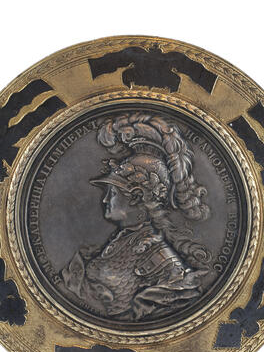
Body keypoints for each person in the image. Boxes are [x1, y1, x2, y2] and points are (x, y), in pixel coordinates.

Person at [60, 112, 211, 321]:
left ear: (137, 197)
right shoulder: (123, 241)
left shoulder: (162, 261)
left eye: (113, 193)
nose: (105, 200)